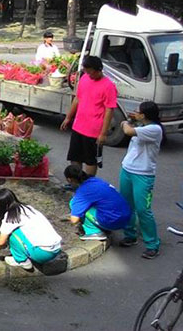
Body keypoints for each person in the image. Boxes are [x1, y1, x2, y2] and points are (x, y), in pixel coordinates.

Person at [118, 101, 163, 259]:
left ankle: (152, 244)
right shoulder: (143, 127)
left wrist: (124, 121)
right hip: (127, 170)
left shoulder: (154, 129)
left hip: (143, 175)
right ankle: (130, 235)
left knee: (143, 210)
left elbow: (128, 131)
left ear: (144, 115)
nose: (135, 112)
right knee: (127, 205)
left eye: (137, 111)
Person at [0, 188, 62, 270]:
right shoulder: (27, 208)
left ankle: (21, 261)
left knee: (12, 234)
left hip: (43, 254)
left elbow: (1, 242)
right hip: (56, 249)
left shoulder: (11, 217)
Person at [61, 56, 117, 176]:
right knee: (75, 157)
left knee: (90, 160)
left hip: (93, 130)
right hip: (78, 126)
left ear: (98, 69)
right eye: (86, 71)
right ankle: (75, 181)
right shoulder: (85, 78)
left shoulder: (109, 86)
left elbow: (109, 110)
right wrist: (68, 117)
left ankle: (88, 185)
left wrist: (103, 133)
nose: (88, 74)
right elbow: (77, 99)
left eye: (90, 71)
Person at [65, 165, 131, 241]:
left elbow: (74, 220)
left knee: (73, 203)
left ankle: (93, 231)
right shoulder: (95, 180)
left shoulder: (82, 192)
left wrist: (75, 214)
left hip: (113, 221)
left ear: (69, 180)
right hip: (126, 217)